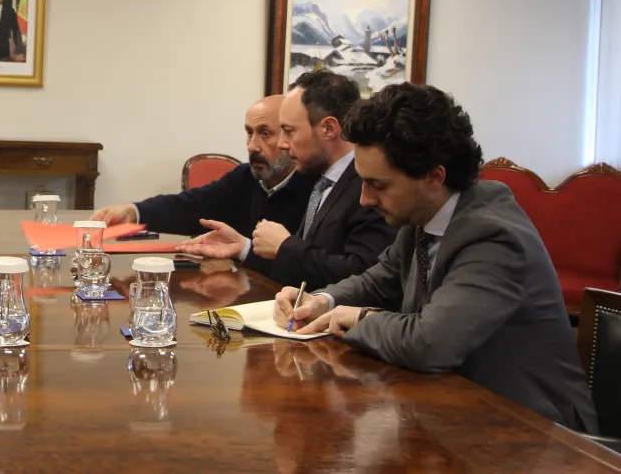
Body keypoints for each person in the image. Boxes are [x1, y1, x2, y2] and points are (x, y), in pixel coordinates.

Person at [274, 83, 597, 433]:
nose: (364, 199)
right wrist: (322, 301)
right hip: (457, 413)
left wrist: (359, 317)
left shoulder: (494, 235)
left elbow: (430, 343)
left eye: (377, 185)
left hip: (539, 434)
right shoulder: (423, 215)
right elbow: (377, 279)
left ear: (434, 177)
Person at [180, 72, 396, 289]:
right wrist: (243, 248)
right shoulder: (322, 179)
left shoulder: (369, 186)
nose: (282, 144)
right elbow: (304, 266)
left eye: (289, 132)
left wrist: (285, 246)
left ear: (328, 128)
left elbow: (365, 275)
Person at [92, 96, 317, 280]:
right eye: (249, 132)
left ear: (289, 136)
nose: (252, 146)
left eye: (265, 133)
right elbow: (191, 206)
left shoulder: (315, 189)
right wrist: (133, 212)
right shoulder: (246, 177)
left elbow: (306, 268)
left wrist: (244, 250)